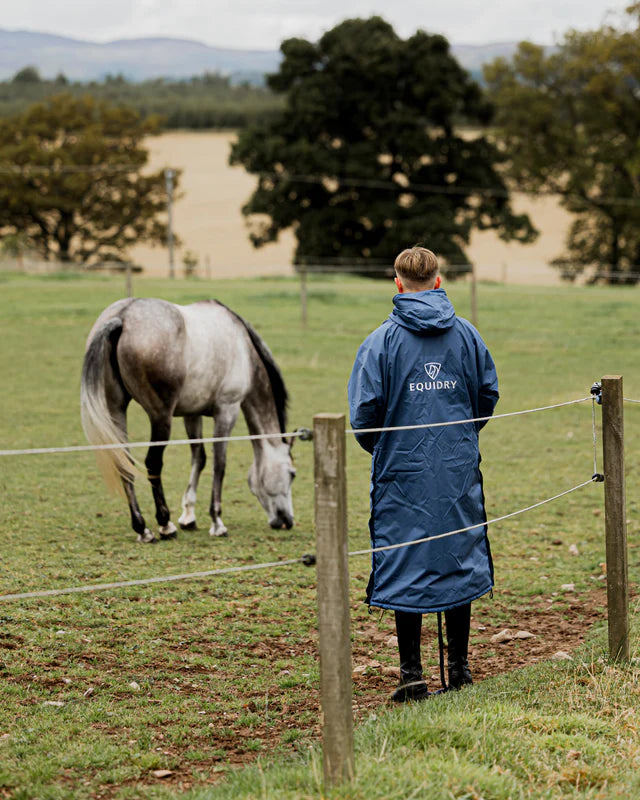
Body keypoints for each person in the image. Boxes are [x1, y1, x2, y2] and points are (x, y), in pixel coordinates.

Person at [348, 246, 499, 702]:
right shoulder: (468, 335)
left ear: (398, 284)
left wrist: (391, 448)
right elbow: (487, 394)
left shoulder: (379, 342)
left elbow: (364, 415)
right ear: (437, 281)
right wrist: (459, 439)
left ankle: (411, 674)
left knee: (405, 554)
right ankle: (460, 669)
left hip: (402, 471)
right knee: (458, 549)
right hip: (456, 467)